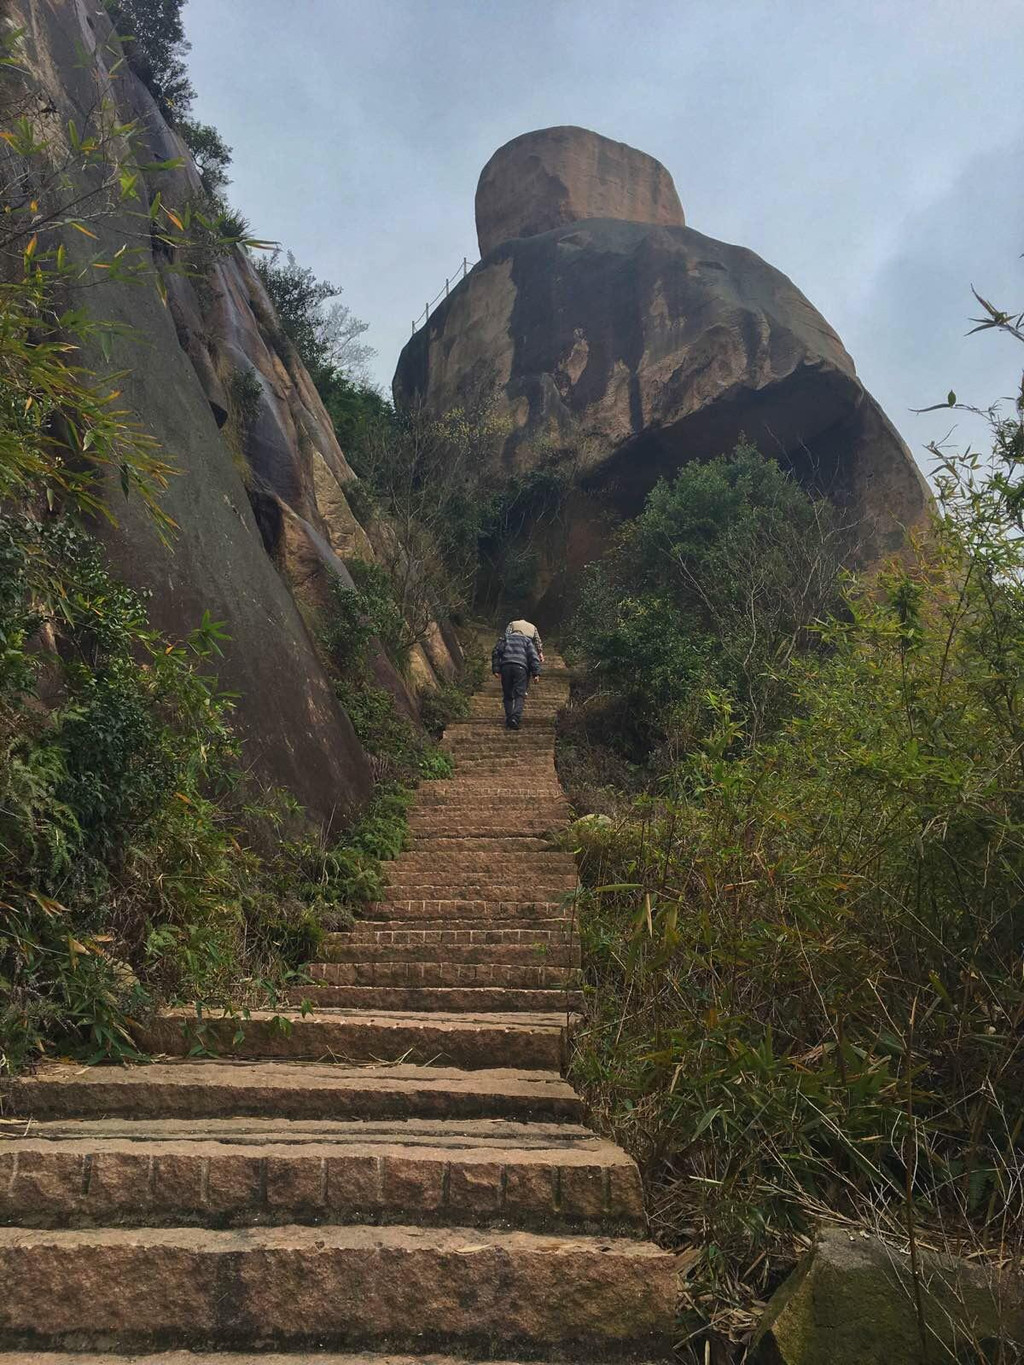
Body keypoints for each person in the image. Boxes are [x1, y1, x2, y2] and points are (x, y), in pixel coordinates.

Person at [492, 628, 541, 730]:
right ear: (522, 634)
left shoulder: (505, 639)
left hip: (506, 667)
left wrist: (496, 669)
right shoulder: (527, 640)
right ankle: (515, 717)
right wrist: (536, 673)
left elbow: (496, 652)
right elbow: (533, 657)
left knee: (508, 694)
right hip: (521, 668)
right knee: (520, 694)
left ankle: (510, 718)